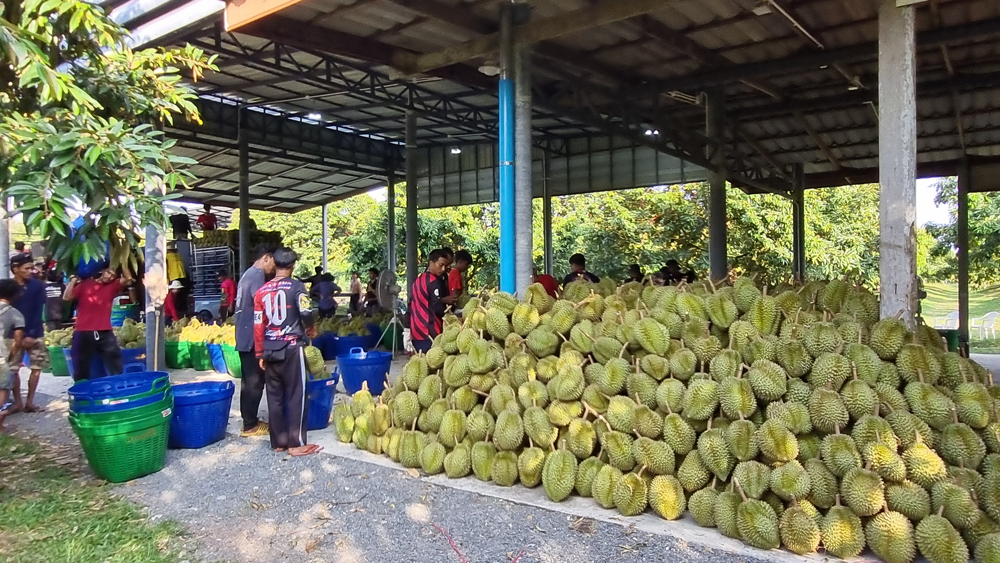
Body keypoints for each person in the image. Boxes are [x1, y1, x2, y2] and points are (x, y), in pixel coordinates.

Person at [253, 247, 321, 456]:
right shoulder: (297, 287)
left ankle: (279, 441)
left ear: (274, 264)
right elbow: (306, 311)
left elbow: (258, 324)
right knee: (296, 395)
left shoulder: (261, 292)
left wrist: (259, 353)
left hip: (270, 349)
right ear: (293, 266)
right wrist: (310, 329)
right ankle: (296, 443)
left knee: (274, 397)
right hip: (292, 348)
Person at [234, 244, 277, 437]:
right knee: (255, 382)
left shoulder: (247, 274)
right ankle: (250, 425)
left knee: (248, 381)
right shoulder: (258, 275)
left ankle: (249, 420)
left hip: (243, 335)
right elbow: (262, 304)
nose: (274, 268)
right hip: (252, 337)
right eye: (274, 263)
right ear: (266, 258)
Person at [64, 267, 132, 381]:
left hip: (105, 331)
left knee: (115, 364)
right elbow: (66, 297)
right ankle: (81, 391)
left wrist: (123, 259)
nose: (109, 277)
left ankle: (119, 386)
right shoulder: (86, 285)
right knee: (81, 365)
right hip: (83, 332)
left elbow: (128, 277)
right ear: (102, 271)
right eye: (109, 272)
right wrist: (73, 280)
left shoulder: (112, 286)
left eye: (113, 276)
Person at [9, 253, 48, 413]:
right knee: (13, 369)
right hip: (13, 335)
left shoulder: (37, 286)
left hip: (35, 332)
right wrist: (19, 335)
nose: (31, 271)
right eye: (27, 268)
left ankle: (30, 402)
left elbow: (39, 310)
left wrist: (31, 333)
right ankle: (17, 401)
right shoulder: (7, 287)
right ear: (15, 269)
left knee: (36, 367)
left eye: (32, 268)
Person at [408, 249, 453, 354]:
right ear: (431, 263)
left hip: (415, 331)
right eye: (440, 265)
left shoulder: (418, 280)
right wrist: (451, 317)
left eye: (445, 266)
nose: (443, 269)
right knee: (431, 364)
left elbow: (412, 304)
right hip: (429, 331)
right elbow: (436, 306)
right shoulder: (433, 281)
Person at [0, 280, 25, 432]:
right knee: (3, 388)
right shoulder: (15, 314)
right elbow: (18, 340)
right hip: (2, 356)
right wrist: (12, 356)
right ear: (15, 295)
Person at [166, 242, 190, 318]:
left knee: (174, 298)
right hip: (182, 276)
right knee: (181, 297)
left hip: (173, 277)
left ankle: (177, 313)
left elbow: (166, 269)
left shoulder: (167, 257)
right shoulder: (179, 256)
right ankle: (182, 311)